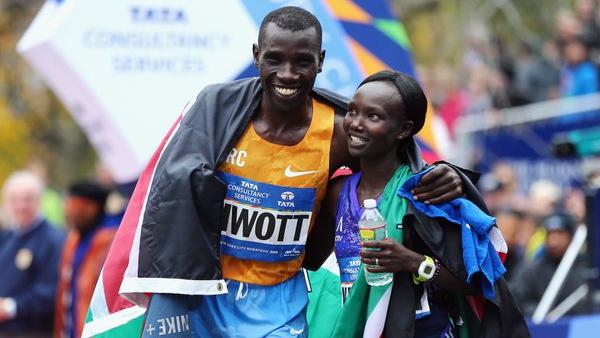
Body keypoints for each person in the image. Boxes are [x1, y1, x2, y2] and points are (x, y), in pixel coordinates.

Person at [89, 7, 474, 338]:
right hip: (206, 294)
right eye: (274, 59)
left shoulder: (340, 132)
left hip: (279, 302)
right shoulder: (218, 113)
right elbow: (166, 187)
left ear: (320, 61)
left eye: (303, 61)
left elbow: (397, 162)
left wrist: (451, 176)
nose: (288, 74)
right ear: (256, 55)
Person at [309, 71, 529, 337]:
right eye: (353, 112)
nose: (356, 123)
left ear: (404, 129)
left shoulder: (425, 191)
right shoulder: (338, 192)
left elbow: (476, 280)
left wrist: (412, 262)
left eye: (373, 116)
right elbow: (309, 260)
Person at [0, 170, 65, 338]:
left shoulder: (54, 240)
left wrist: (10, 307)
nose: (21, 206)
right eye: (15, 200)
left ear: (39, 200)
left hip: (34, 331)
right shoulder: (8, 236)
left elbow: (52, 291)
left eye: (27, 199)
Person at [55, 181, 119, 338]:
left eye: (73, 207)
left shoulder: (112, 240)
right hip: (70, 328)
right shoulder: (74, 238)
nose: (67, 213)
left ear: (91, 209)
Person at [510, 212, 591, 316]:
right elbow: (518, 301)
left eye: (560, 234)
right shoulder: (531, 270)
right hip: (542, 328)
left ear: (570, 237)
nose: (554, 241)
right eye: (550, 234)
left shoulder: (586, 268)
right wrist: (542, 313)